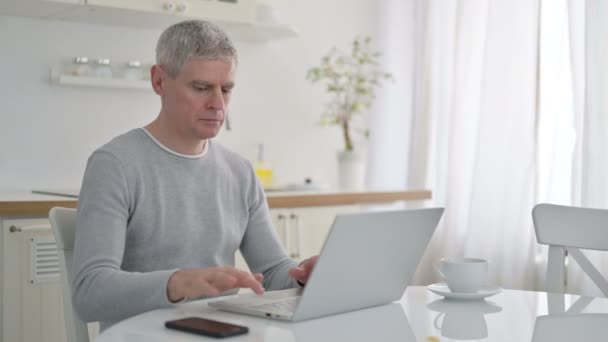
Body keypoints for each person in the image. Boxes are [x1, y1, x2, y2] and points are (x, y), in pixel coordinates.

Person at [71, 19, 318, 331]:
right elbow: (89, 293)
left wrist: (302, 277)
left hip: (223, 335)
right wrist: (177, 283)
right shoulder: (114, 164)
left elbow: (272, 272)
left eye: (226, 89)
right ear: (159, 81)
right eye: (201, 88)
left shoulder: (239, 171)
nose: (217, 104)